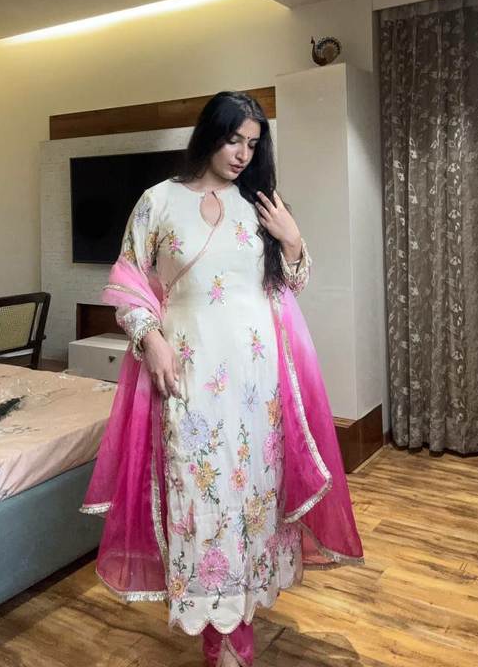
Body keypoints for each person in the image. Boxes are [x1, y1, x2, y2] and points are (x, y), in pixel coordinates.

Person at [82, 91, 363, 667]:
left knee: (252, 496)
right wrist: (151, 339)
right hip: (188, 377)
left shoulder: (258, 205)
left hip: (258, 384)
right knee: (199, 492)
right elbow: (128, 286)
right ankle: (218, 637)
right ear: (209, 133)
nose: (242, 154)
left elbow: (290, 285)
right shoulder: (158, 202)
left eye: (253, 145)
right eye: (234, 139)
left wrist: (291, 238)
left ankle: (241, 629)